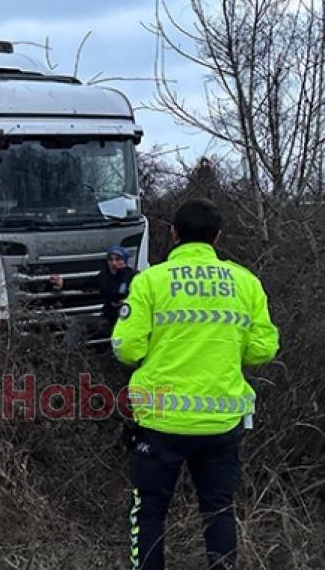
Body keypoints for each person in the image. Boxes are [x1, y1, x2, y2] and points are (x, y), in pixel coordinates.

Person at [112, 198, 279, 570]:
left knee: (150, 512)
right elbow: (263, 348)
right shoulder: (245, 282)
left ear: (173, 235)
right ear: (217, 237)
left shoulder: (150, 281)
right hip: (221, 423)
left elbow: (125, 348)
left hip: (158, 421)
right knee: (219, 512)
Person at [98, 245, 137, 330]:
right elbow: (86, 284)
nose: (114, 263)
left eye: (118, 259)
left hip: (128, 315)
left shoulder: (133, 276)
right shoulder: (103, 275)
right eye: (111, 260)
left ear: (125, 261)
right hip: (109, 316)